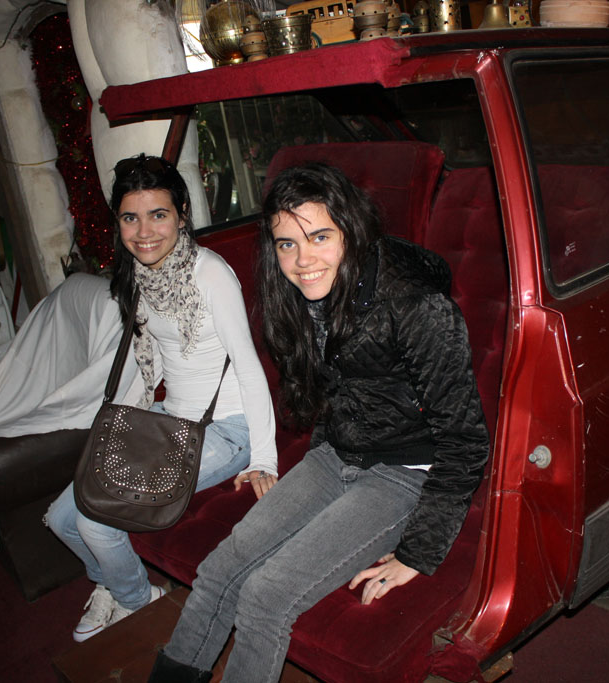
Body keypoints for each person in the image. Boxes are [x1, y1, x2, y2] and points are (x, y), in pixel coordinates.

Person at [149, 162, 489, 682]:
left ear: (351, 230)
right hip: (336, 455)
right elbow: (335, 393)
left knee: (266, 595)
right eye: (287, 244)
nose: (302, 260)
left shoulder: (418, 307)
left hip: (404, 473)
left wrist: (418, 554)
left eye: (320, 237)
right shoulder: (302, 297)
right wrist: (306, 478)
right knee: (220, 568)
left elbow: (465, 439)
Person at [46, 154, 278, 642]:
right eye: (130, 218)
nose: (144, 232)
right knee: (62, 518)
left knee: (97, 524)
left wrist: (265, 459)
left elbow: (249, 366)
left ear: (182, 214)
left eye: (158, 215)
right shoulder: (139, 272)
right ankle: (113, 583)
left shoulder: (209, 274)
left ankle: (140, 605)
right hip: (168, 416)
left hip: (225, 428)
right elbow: (151, 359)